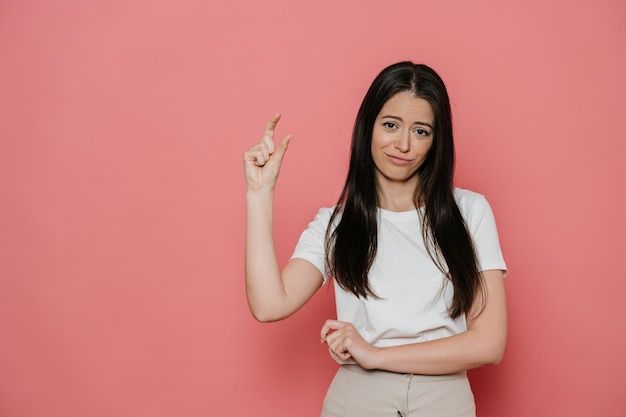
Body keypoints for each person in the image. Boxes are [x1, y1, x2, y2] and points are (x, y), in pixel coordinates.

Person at [242, 61, 507, 417]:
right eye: (391, 125)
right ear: (368, 127)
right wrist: (260, 194)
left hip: (444, 399)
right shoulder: (336, 224)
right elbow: (268, 304)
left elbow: (489, 343)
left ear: (436, 140)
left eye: (421, 131)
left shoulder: (470, 212)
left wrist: (377, 354)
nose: (403, 144)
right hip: (358, 399)